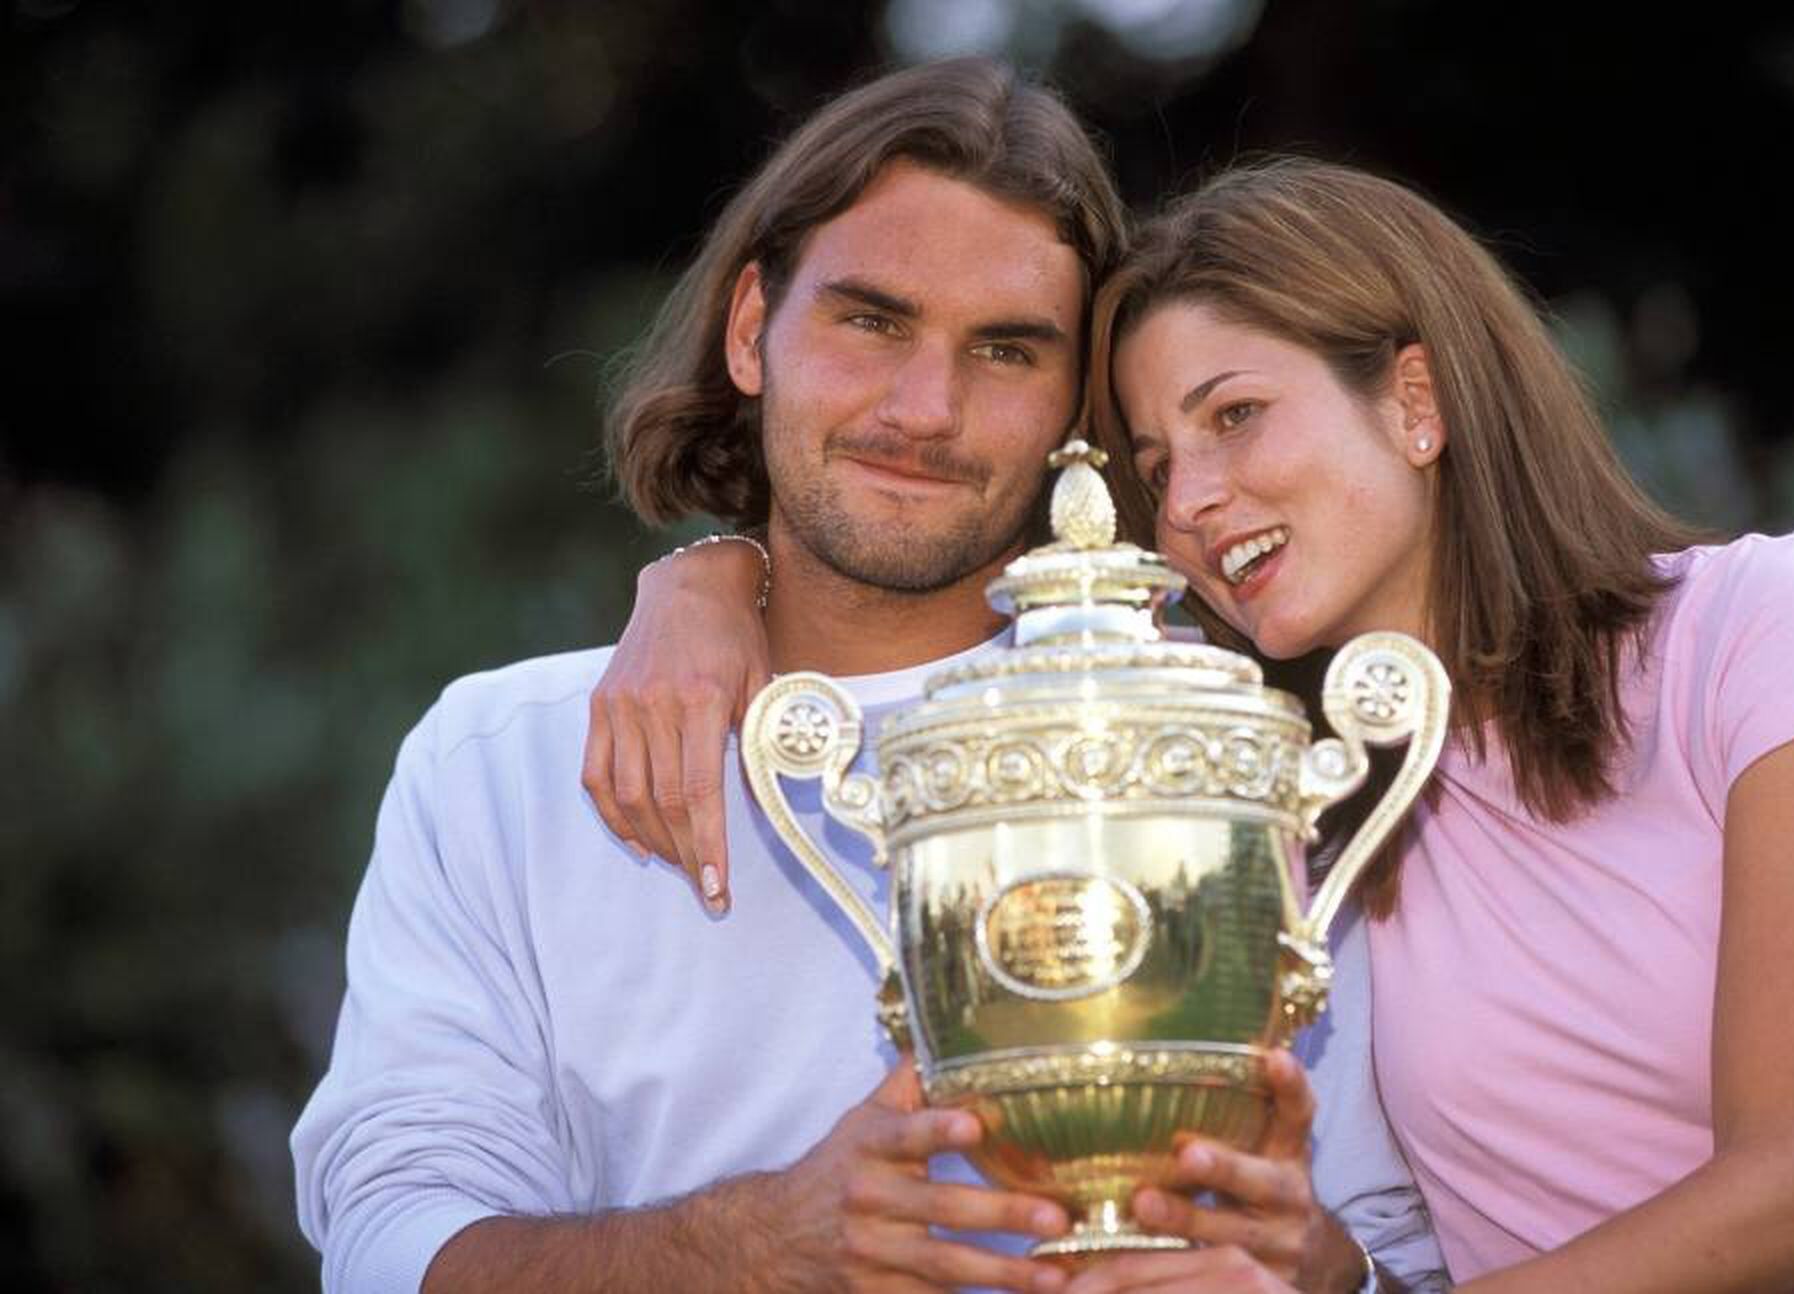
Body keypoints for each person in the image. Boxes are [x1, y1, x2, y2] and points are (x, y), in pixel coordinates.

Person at [590, 156, 1794, 1292]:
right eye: (1157, 463)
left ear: (1415, 403)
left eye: (1235, 415)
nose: (1190, 501)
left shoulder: (1768, 626)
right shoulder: (1260, 784)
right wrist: (714, 578)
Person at [293, 60, 1446, 1294]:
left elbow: (1391, 1249)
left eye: (1006, 350)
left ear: (1074, 401)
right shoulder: (502, 762)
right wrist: (740, 1249)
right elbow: (387, 1242)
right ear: (751, 331)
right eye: (872, 319)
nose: (925, 406)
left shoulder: (1213, 753)